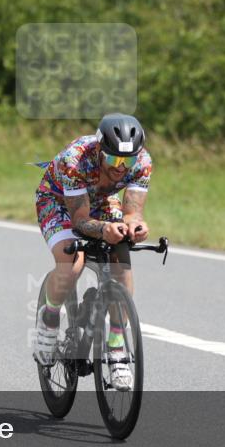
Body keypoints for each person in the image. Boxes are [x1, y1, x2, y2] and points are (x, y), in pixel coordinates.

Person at [34, 113, 152, 391]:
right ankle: (48, 319)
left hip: (101, 202)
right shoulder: (75, 159)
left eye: (128, 161)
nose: (121, 168)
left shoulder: (143, 163)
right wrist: (103, 231)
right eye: (113, 160)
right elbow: (80, 220)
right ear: (99, 150)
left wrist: (136, 227)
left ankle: (117, 349)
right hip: (60, 201)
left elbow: (132, 212)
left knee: (121, 256)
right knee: (71, 261)